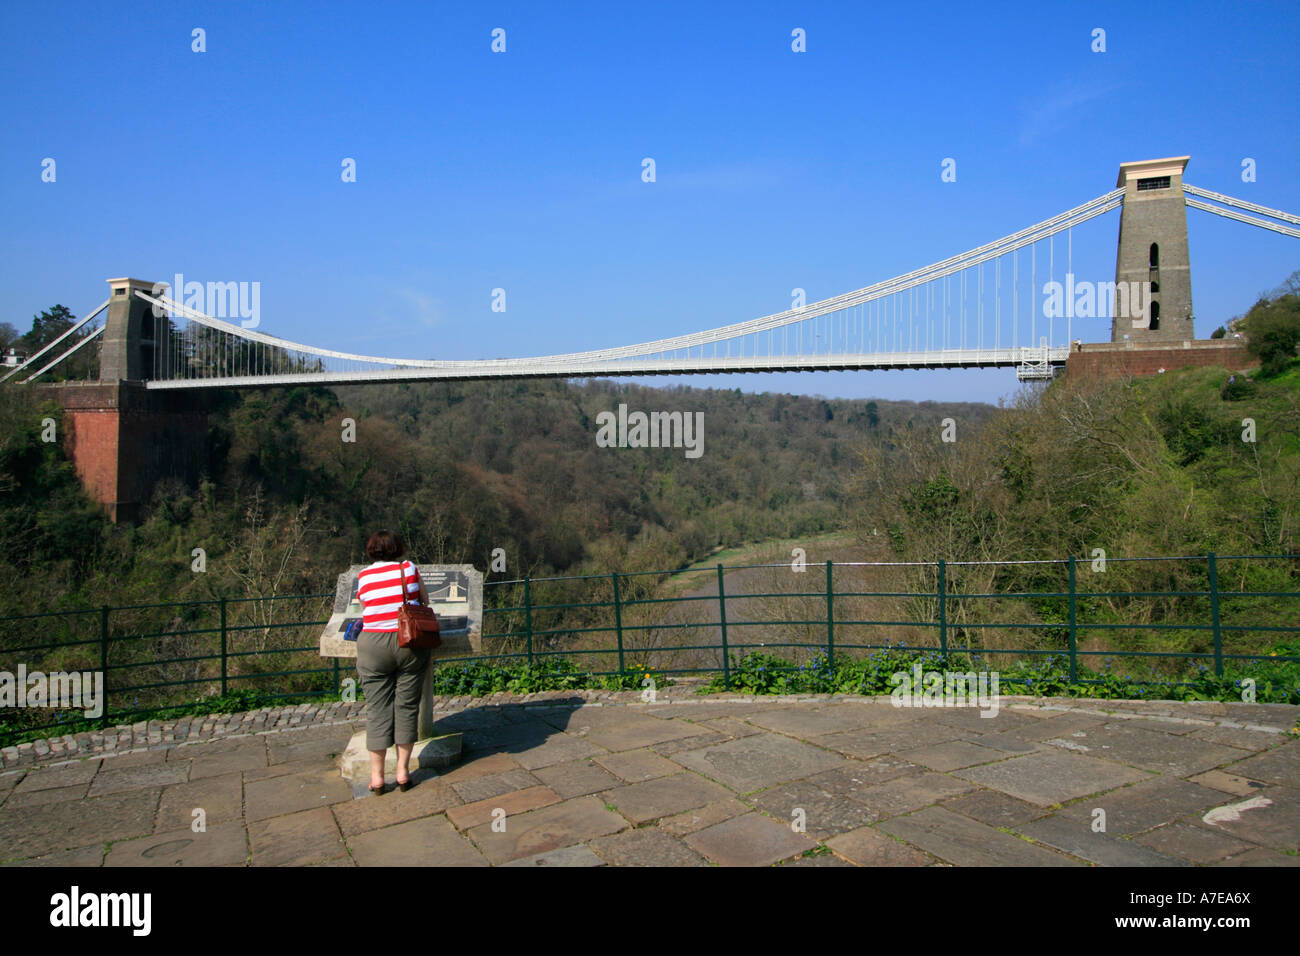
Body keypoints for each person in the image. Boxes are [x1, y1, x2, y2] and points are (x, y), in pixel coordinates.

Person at [354, 529, 431, 794]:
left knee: (377, 709)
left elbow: (365, 606)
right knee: (407, 706)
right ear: (398, 548)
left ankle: (376, 778)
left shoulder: (363, 576)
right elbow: (424, 601)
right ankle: (402, 773)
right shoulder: (408, 568)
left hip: (372, 645)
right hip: (407, 642)